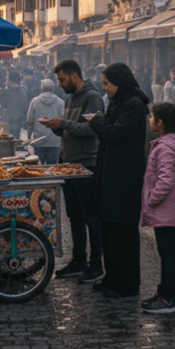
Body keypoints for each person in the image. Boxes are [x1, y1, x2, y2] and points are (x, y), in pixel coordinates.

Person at [87, 63, 148, 298]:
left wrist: (96, 121)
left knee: (123, 234)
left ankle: (126, 284)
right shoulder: (119, 101)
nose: (104, 89)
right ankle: (112, 277)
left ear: (119, 82)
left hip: (125, 179)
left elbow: (113, 133)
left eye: (106, 84)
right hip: (112, 175)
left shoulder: (133, 104)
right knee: (110, 230)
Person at [44, 60, 105, 283]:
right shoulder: (70, 98)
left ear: (74, 76)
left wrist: (65, 124)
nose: (59, 84)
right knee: (74, 216)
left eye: (61, 79)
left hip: (87, 164)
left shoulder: (92, 97)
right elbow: (71, 130)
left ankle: (96, 265)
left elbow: (92, 128)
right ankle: (79, 261)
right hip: (69, 164)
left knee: (91, 216)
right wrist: (59, 128)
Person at [140, 102, 175, 313]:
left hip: (164, 206)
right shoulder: (169, 143)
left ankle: (166, 297)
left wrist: (151, 200)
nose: (149, 121)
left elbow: (166, 180)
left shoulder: (165, 148)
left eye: (151, 118)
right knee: (169, 251)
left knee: (167, 252)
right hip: (169, 206)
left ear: (159, 122)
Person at [27, 79, 64, 165]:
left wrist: (36, 126)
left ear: (42, 89)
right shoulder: (60, 102)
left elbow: (29, 120)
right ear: (53, 89)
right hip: (54, 141)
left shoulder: (35, 101)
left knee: (38, 168)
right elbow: (63, 120)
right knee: (53, 168)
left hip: (39, 140)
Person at [0, 72, 28, 139]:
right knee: (16, 137)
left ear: (10, 80)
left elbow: (3, 106)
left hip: (9, 120)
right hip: (19, 119)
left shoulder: (6, 92)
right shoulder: (23, 91)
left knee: (8, 138)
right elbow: (24, 106)